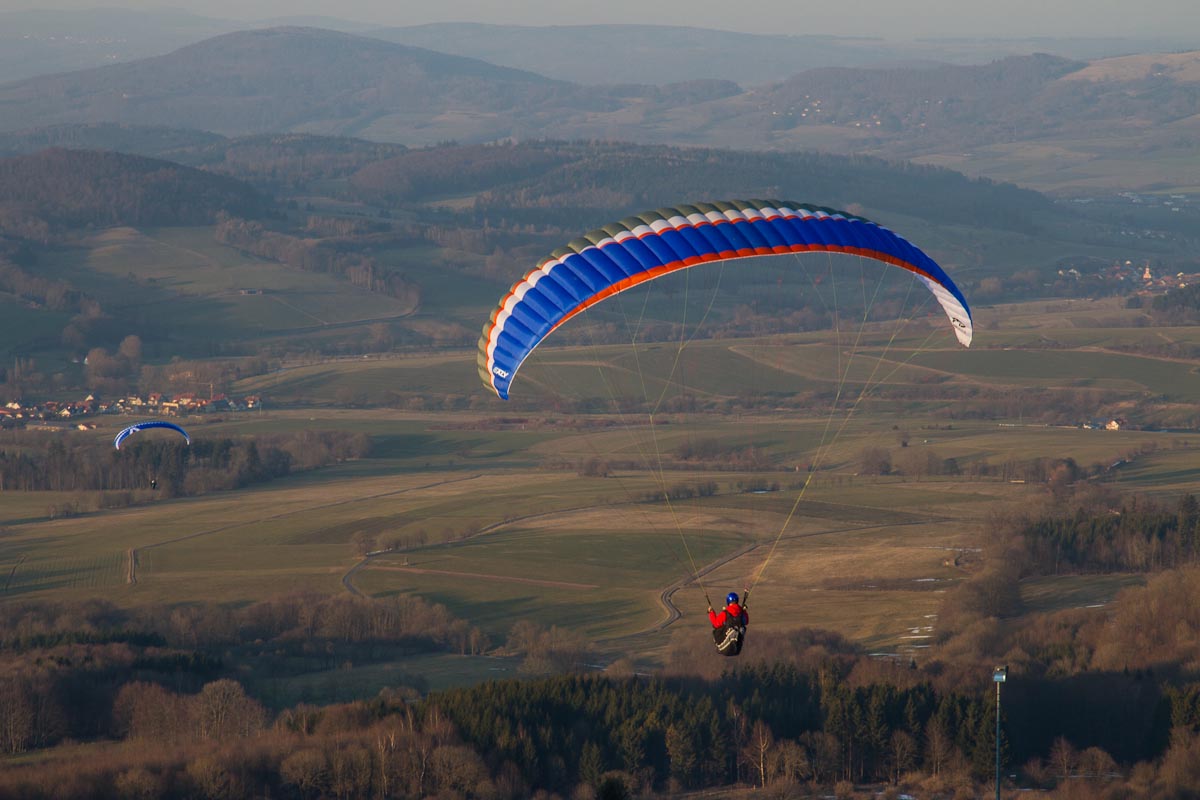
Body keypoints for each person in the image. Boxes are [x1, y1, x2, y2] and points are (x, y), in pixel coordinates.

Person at [708, 591, 748, 656]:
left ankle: (732, 636)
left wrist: (711, 613)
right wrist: (744, 611)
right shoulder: (741, 613)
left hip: (727, 641)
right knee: (742, 628)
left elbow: (716, 623)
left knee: (717, 630)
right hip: (738, 647)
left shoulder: (725, 613)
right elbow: (746, 621)